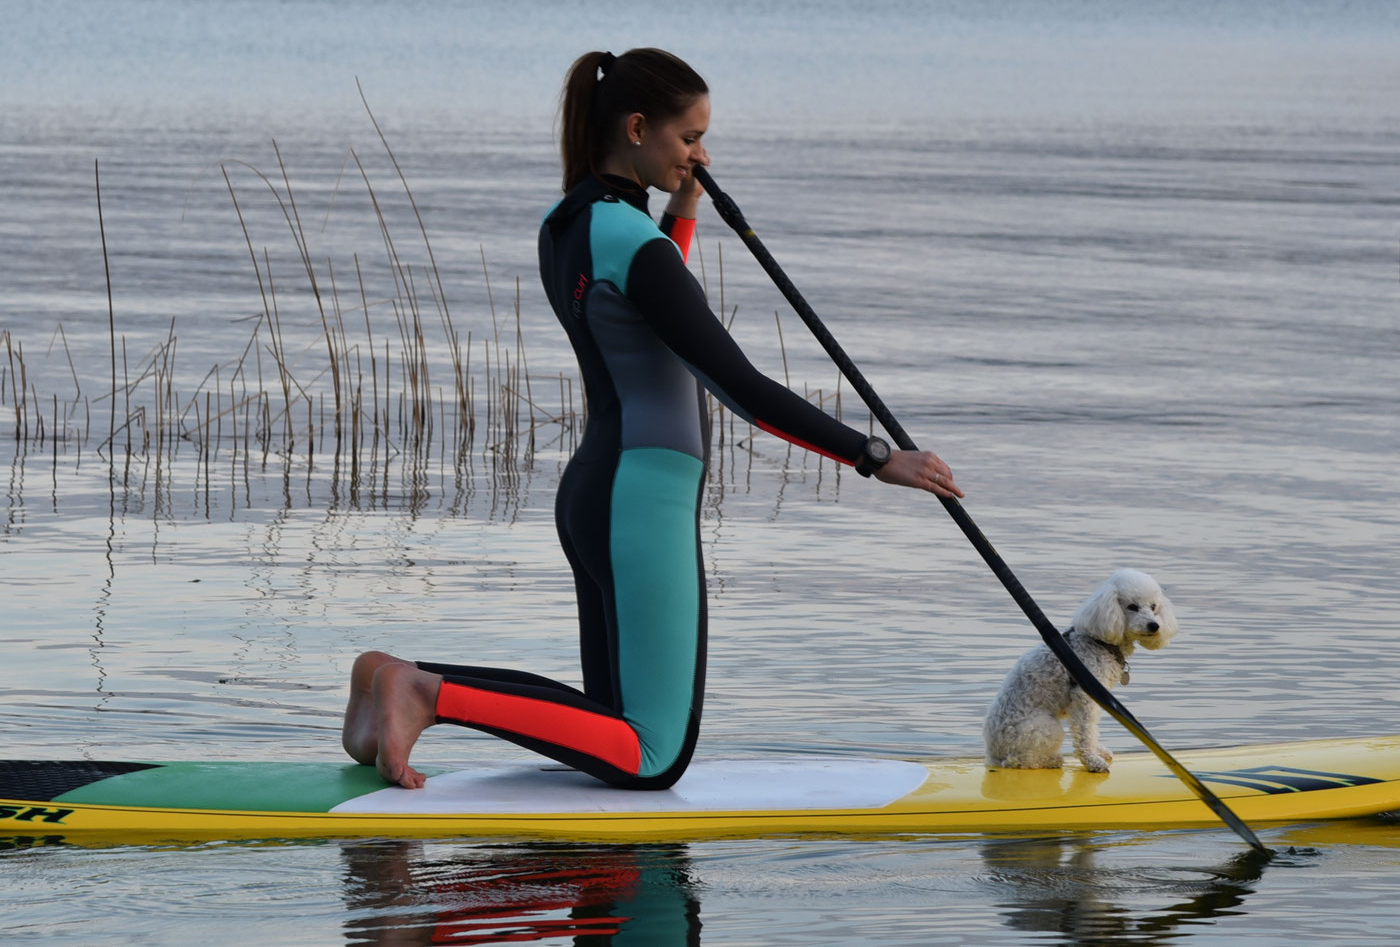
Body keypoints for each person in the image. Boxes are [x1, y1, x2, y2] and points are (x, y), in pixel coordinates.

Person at [343, 47, 961, 790]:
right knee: (651, 753)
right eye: (689, 137)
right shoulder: (632, 243)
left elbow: (646, 307)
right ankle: (425, 691)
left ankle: (395, 678)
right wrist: (874, 456)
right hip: (645, 503)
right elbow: (743, 388)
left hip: (598, 492)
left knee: (610, 723)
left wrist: (684, 207)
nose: (701, 154)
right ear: (638, 127)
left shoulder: (568, 224)